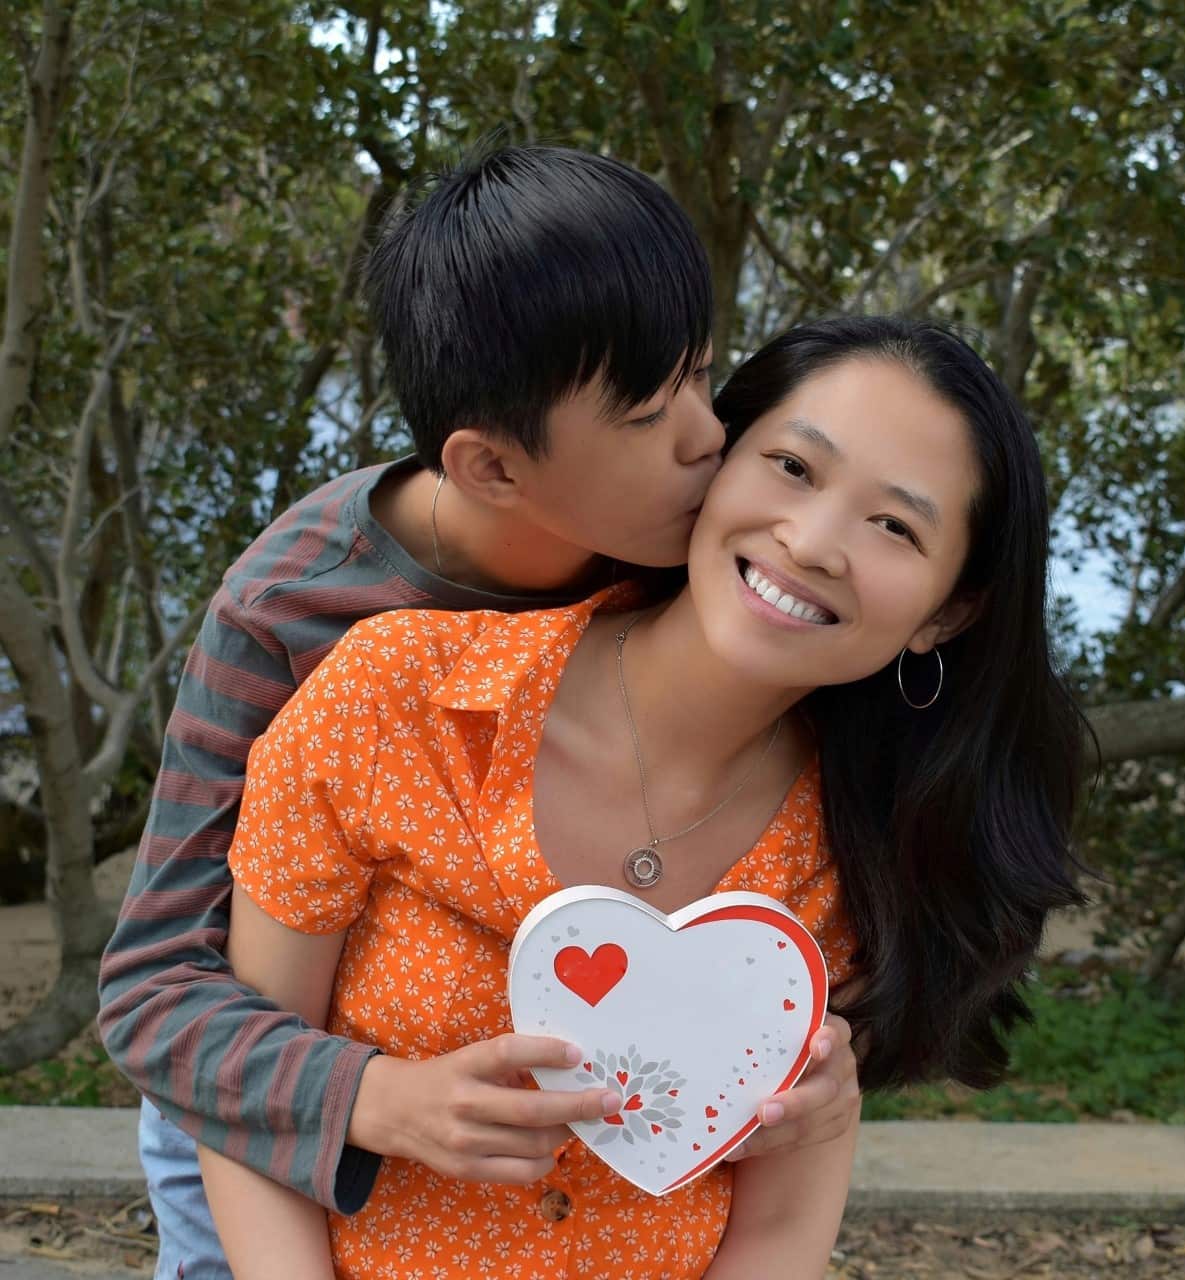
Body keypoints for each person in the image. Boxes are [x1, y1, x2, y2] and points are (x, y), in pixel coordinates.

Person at [96, 145, 860, 1280]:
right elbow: (154, 990)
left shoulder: (683, 553)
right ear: (491, 468)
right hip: (274, 1113)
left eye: (703, 376)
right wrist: (375, 1096)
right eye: (653, 412)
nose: (709, 438)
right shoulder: (294, 609)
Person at [198, 315, 1087, 1278]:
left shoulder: (867, 857)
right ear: (715, 460)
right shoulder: (396, 696)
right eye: (793, 467)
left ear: (947, 611)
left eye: (895, 526)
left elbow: (781, 1235)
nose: (814, 540)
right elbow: (250, 1088)